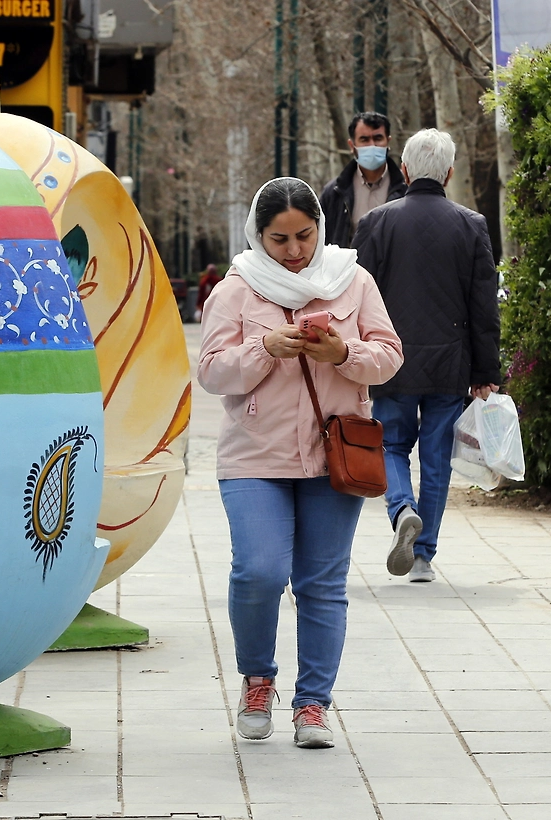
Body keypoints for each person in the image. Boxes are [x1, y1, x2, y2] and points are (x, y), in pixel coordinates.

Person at [198, 178, 403, 749]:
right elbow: (212, 372)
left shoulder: (352, 280)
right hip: (253, 457)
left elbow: (389, 356)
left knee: (322, 583)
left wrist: (344, 352)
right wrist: (264, 349)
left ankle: (313, 705)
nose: (293, 251)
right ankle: (257, 679)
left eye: (304, 236)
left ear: (320, 227)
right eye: (279, 239)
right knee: (259, 571)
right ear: (257, 236)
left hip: (333, 453)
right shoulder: (236, 289)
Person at [353, 128, 501, 583]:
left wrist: (355, 361)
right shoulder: (471, 225)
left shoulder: (376, 223)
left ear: (404, 169)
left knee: (392, 446)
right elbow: (483, 306)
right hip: (449, 362)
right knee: (436, 459)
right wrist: (485, 370)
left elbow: (356, 298)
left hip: (391, 360)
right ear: (450, 172)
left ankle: (401, 511)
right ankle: (423, 557)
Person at [320, 112, 408, 248]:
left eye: (378, 138)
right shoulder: (334, 193)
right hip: (348, 268)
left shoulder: (406, 189)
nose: (372, 145)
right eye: (364, 140)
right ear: (352, 145)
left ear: (388, 142)